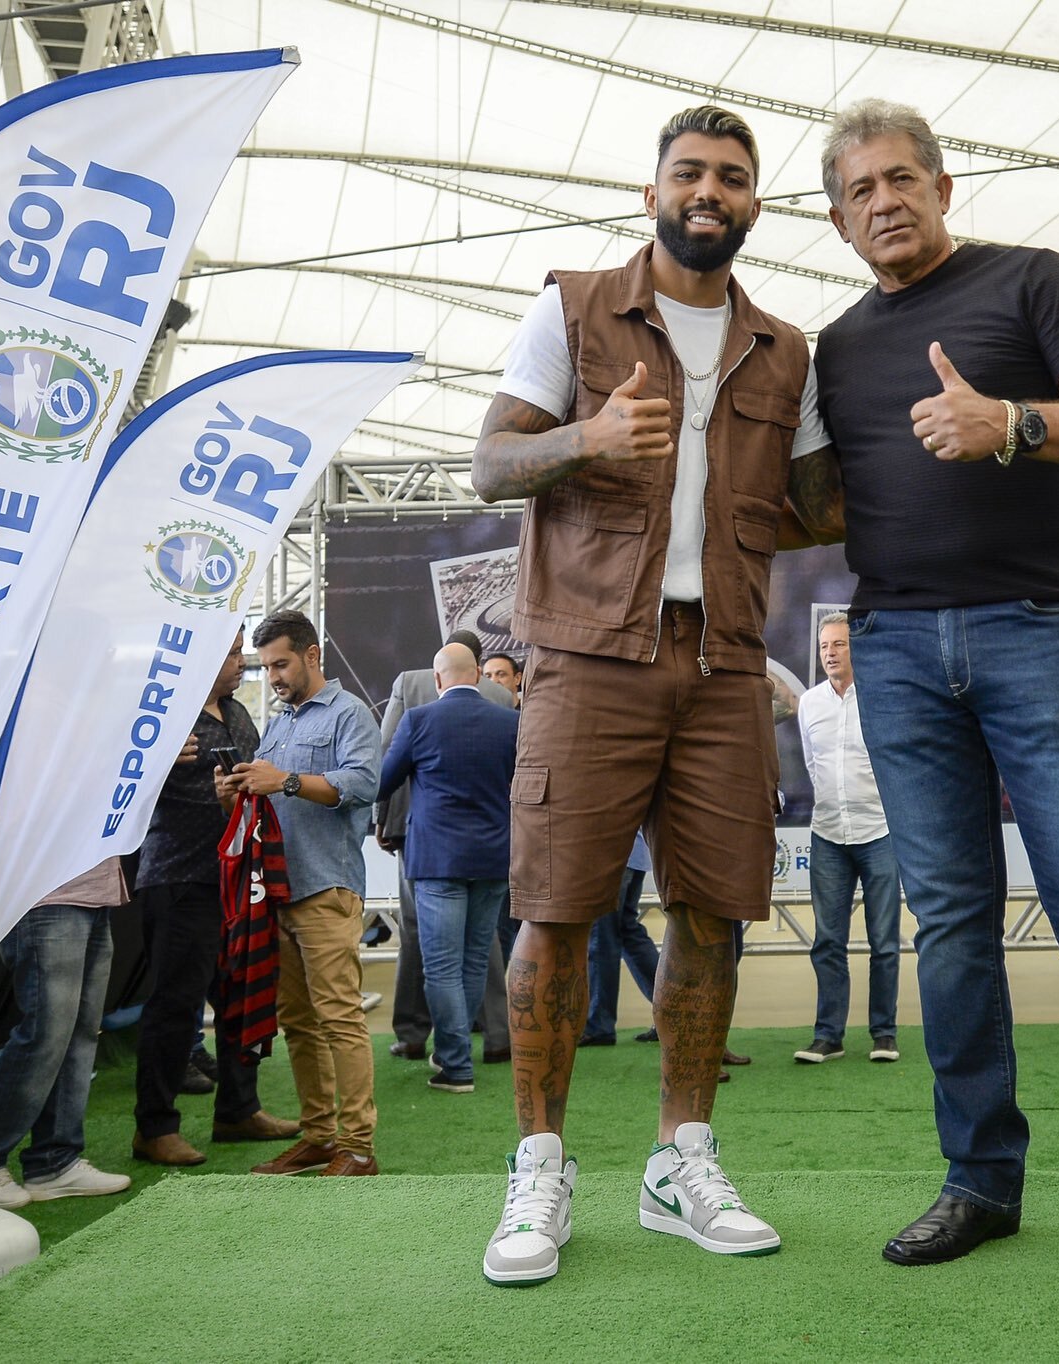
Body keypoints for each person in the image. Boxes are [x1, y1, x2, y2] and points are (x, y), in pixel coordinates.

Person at [792, 97, 1059, 1301]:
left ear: (941, 187)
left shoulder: (1032, 279)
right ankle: (979, 1177)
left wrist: (1009, 423)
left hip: (1040, 630)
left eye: (901, 178)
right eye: (858, 189)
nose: (883, 201)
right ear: (835, 219)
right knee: (949, 924)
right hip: (892, 647)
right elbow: (819, 502)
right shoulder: (834, 346)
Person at [469, 104, 830, 1286]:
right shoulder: (573, 307)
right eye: (688, 172)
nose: (707, 190)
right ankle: (538, 1167)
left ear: (755, 203)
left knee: (714, 913)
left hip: (726, 663)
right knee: (555, 912)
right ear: (652, 193)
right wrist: (590, 434)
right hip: (586, 654)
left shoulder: (784, 349)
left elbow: (817, 505)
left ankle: (681, 1160)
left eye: (731, 176)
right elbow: (488, 463)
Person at [222, 609, 382, 1178]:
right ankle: (319, 1136)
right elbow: (270, 798)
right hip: (279, 891)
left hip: (326, 888)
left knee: (339, 1018)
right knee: (299, 1020)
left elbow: (363, 783)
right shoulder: (279, 723)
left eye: (281, 664)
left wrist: (283, 779)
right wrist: (237, 790)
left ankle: (357, 1147)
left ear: (312, 655)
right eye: (266, 668)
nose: (273, 677)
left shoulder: (349, 713)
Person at [131, 629, 299, 1166]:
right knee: (175, 1005)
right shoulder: (159, 717)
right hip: (180, 876)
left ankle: (238, 1110)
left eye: (239, 650)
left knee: (240, 998)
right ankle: (154, 1127)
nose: (241, 661)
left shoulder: (240, 714)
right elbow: (127, 788)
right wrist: (160, 762)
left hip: (237, 878)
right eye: (229, 652)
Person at [0, 858, 133, 1207]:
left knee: (78, 1032)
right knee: (46, 1032)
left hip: (94, 889)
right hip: (44, 891)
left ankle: (54, 1161)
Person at [376, 642, 519, 1094]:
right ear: (477, 674)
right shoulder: (511, 722)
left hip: (437, 859)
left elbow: (384, 780)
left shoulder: (418, 720)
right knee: (475, 959)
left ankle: (456, 1065)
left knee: (440, 966)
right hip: (495, 858)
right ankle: (453, 1053)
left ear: (437, 680)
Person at [794, 610, 901, 1064]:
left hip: (879, 833)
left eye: (839, 644)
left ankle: (884, 1034)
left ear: (855, 648)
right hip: (828, 835)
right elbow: (811, 763)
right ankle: (828, 1036)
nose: (830, 653)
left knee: (885, 942)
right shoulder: (808, 703)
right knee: (827, 942)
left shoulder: (881, 698)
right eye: (824, 647)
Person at [580, 831, 660, 1047]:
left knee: (603, 938)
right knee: (627, 931)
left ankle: (599, 1025)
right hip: (635, 853)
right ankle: (676, 1010)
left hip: (609, 854)